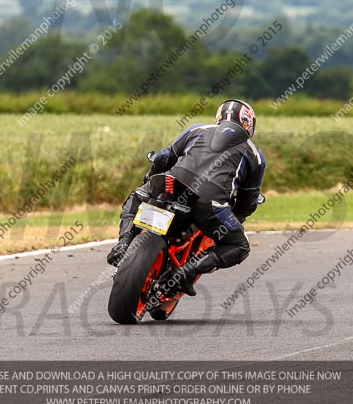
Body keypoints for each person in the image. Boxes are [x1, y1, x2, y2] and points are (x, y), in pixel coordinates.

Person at [107, 99, 266, 296]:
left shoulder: (196, 129)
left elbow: (163, 158)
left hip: (171, 184)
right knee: (240, 245)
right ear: (249, 124)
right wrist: (236, 218)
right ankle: (187, 272)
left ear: (219, 117)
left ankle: (123, 244)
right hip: (209, 203)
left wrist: (149, 179)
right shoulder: (255, 155)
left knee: (138, 195)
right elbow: (248, 201)